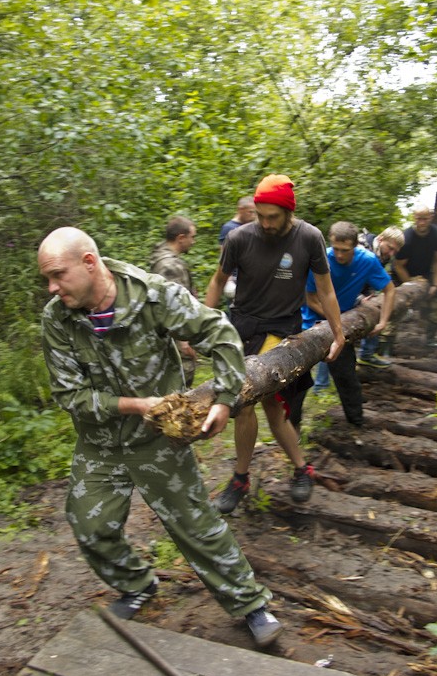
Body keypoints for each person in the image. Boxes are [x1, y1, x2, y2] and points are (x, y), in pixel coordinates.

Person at [37, 227, 282, 648]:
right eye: (48, 278)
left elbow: (218, 332)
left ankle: (251, 604)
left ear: (90, 263)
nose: (52, 287)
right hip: (101, 443)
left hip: (157, 440)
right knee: (89, 524)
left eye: (58, 275)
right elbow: (70, 395)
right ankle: (137, 585)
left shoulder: (152, 296)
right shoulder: (58, 319)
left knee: (194, 523)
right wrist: (135, 405)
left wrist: (224, 399)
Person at [205, 174, 345, 514]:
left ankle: (271, 472)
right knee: (255, 405)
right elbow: (218, 280)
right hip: (243, 326)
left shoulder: (308, 237)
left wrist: (338, 333)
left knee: (253, 401)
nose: (265, 223)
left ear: (288, 213)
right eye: (260, 215)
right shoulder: (240, 238)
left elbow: (325, 289)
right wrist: (202, 326)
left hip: (282, 331)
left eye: (273, 217)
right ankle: (275, 472)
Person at [292, 221, 395, 430]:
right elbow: (311, 299)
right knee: (297, 382)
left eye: (345, 251)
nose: (339, 255)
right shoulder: (321, 258)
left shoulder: (367, 261)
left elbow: (390, 290)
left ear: (356, 246)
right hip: (311, 325)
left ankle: (356, 423)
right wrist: (334, 319)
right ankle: (292, 429)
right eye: (336, 249)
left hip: (341, 327)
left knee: (347, 378)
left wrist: (383, 321)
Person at [149, 216, 198, 386]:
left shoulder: (160, 258)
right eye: (192, 237)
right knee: (179, 388)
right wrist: (183, 342)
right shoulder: (170, 266)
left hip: (169, 337)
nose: (194, 242)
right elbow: (173, 307)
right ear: (181, 238)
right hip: (175, 339)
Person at [394, 204, 437, 347]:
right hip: (403, 275)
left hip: (426, 275)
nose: (422, 223)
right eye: (419, 219)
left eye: (425, 219)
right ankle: (386, 345)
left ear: (431, 218)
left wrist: (435, 285)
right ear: (414, 218)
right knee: (393, 309)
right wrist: (410, 285)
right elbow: (398, 266)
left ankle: (430, 338)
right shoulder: (407, 238)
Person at [357, 226, 405, 366]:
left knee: (376, 308)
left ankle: (367, 354)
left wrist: (371, 295)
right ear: (381, 238)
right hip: (341, 288)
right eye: (390, 248)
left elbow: (374, 278)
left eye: (394, 251)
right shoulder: (362, 248)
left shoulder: (383, 253)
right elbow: (346, 278)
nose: (391, 253)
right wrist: (359, 298)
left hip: (362, 286)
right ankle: (321, 384)